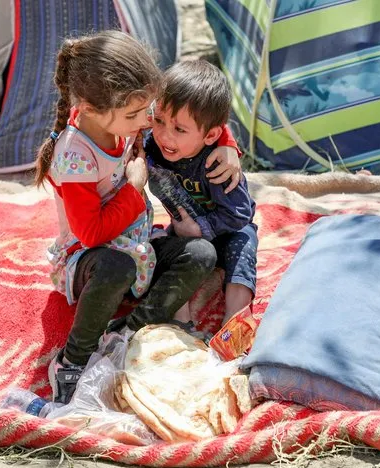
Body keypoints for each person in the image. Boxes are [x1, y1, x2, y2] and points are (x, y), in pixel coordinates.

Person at [35, 32, 238, 404]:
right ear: (93, 110)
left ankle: (128, 329)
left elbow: (191, 112)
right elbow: (92, 233)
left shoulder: (123, 117)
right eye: (137, 116)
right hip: (90, 261)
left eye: (147, 111)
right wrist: (133, 188)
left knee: (201, 254)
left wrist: (226, 143)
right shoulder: (75, 155)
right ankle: (73, 359)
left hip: (137, 248)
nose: (148, 122)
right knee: (116, 268)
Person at [145, 60, 257, 326]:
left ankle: (235, 321)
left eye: (179, 130)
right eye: (159, 121)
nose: (164, 135)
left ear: (210, 136)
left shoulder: (218, 164)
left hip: (229, 232)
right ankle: (180, 325)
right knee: (159, 251)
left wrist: (202, 229)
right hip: (184, 235)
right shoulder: (151, 147)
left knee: (243, 249)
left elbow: (240, 213)